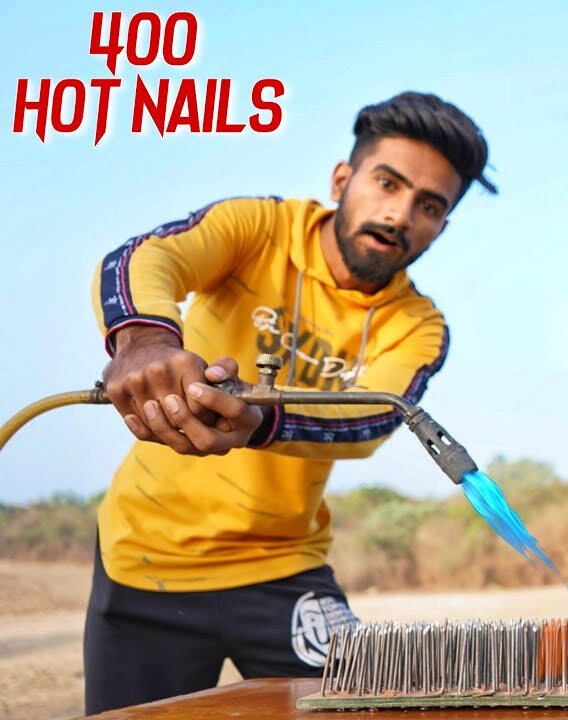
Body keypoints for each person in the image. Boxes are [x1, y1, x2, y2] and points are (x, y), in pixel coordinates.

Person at [85, 91, 496, 714]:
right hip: (146, 558)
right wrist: (145, 339)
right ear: (342, 178)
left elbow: (373, 416)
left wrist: (257, 422)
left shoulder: (419, 325)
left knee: (373, 709)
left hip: (285, 566)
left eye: (429, 206)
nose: (399, 214)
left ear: (442, 226)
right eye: (387, 183)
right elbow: (147, 257)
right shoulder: (259, 227)